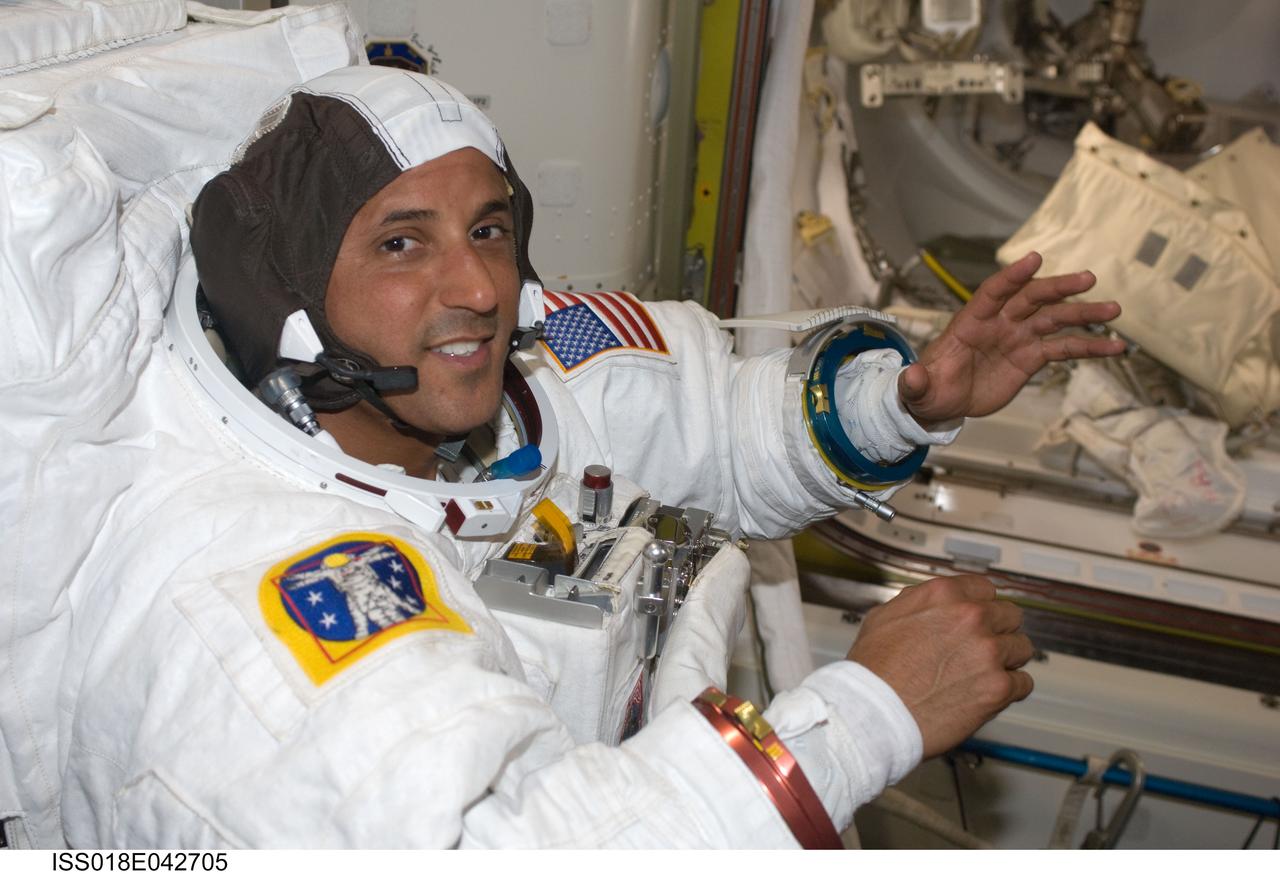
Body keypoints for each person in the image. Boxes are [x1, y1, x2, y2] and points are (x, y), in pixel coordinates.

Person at [58, 65, 1124, 848]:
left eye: (488, 228)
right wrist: (855, 721)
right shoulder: (273, 606)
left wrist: (897, 401)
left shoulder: (524, 357)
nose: (477, 285)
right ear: (286, 298)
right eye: (400, 243)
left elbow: (715, 417)